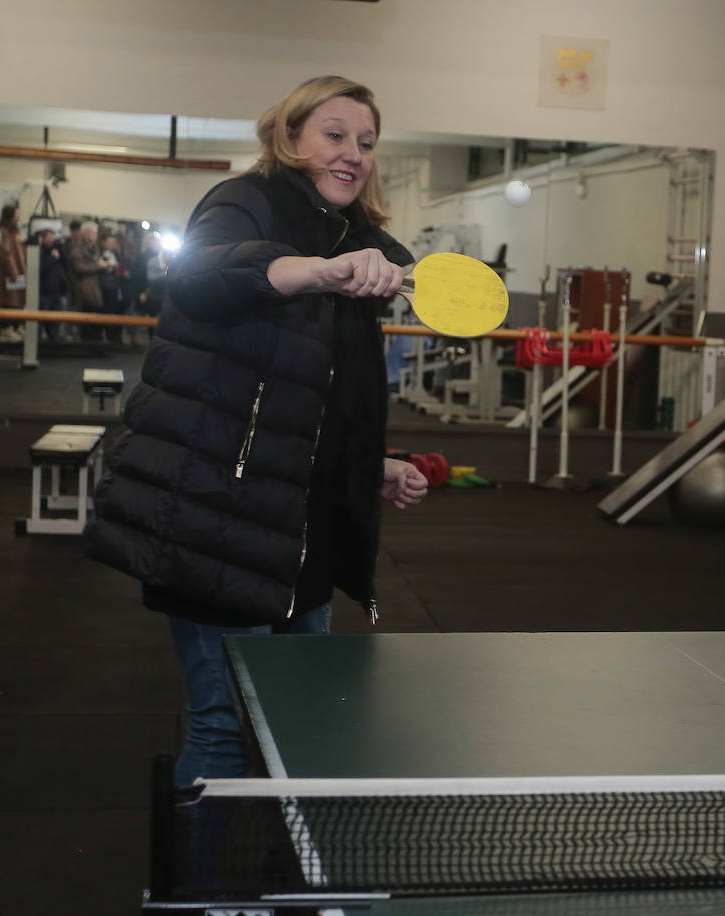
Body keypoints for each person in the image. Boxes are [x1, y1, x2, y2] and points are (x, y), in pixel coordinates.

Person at [83, 75, 430, 787]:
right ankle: (204, 892)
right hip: (216, 519)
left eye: (365, 142)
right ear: (290, 135)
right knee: (223, 732)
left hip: (301, 535)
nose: (352, 153)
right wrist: (311, 271)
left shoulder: (361, 243)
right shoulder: (245, 201)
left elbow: (319, 397)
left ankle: (281, 881)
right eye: (334, 134)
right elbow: (205, 274)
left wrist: (373, 465)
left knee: (303, 727)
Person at [0, 203, 27, 344]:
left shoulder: (16, 233)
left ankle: (16, 326)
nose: (19, 217)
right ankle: (6, 330)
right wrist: (13, 273)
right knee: (8, 302)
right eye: (17, 215)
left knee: (18, 303)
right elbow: (5, 254)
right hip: (8, 275)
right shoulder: (2, 232)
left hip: (19, 273)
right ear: (10, 216)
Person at [69, 221, 106, 341]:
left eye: (95, 233)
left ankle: (95, 341)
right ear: (84, 233)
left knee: (96, 315)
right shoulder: (77, 247)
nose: (93, 235)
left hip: (95, 287)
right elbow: (79, 267)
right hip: (83, 287)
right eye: (90, 232)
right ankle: (88, 342)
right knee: (87, 316)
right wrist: (99, 267)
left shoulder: (95, 248)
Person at [35, 228, 70, 342]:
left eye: (53, 239)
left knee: (56, 319)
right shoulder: (40, 253)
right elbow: (40, 268)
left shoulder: (56, 252)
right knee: (41, 319)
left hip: (57, 291)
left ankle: (53, 340)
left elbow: (67, 265)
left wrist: (61, 251)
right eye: (49, 238)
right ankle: (38, 342)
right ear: (43, 239)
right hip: (44, 291)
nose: (51, 241)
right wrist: (52, 258)